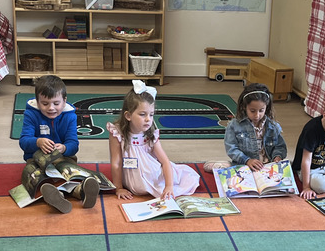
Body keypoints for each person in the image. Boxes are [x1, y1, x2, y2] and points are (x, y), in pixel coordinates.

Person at [17, 75, 99, 212]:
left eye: (56, 103)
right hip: (36, 160)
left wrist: (64, 148)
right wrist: (37, 142)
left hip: (63, 158)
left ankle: (81, 191)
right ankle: (57, 196)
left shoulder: (70, 116)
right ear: (37, 101)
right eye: (45, 104)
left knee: (69, 173)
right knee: (34, 176)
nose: (51, 108)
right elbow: (24, 141)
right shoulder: (31, 114)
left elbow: (73, 144)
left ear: (64, 101)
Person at [108, 80, 199, 199]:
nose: (148, 119)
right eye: (142, 114)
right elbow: (116, 163)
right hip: (130, 178)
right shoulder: (117, 133)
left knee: (183, 178)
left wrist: (169, 186)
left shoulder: (151, 135)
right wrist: (119, 188)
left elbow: (165, 162)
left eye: (151, 115)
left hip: (153, 176)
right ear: (128, 116)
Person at [203, 83, 288, 172]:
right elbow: (231, 148)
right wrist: (247, 160)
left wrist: (277, 157)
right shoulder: (234, 125)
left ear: (266, 107)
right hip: (244, 165)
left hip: (267, 167)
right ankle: (222, 166)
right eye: (252, 111)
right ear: (244, 107)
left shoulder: (273, 126)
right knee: (212, 168)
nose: (257, 115)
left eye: (261, 110)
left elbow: (280, 146)